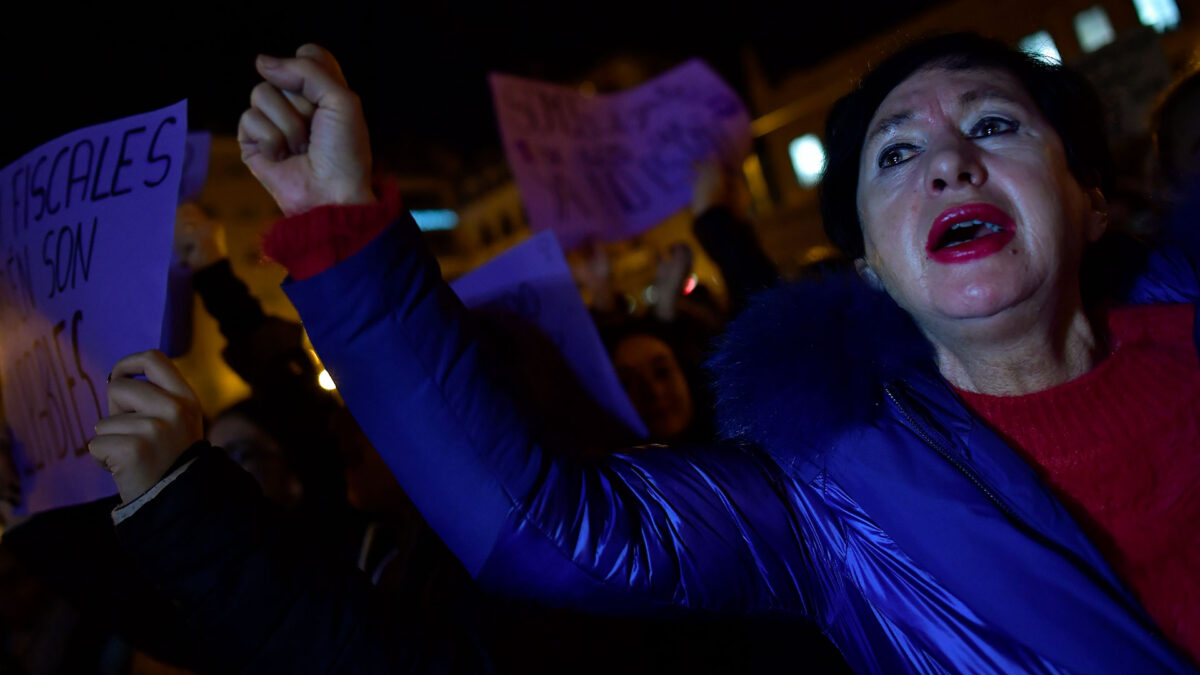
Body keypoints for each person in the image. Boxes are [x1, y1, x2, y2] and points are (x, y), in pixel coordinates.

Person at [94, 35, 1198, 673]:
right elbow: (537, 527)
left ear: (1093, 203)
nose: (950, 163)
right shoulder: (825, 507)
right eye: (898, 155)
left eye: (996, 126)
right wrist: (336, 221)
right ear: (868, 265)